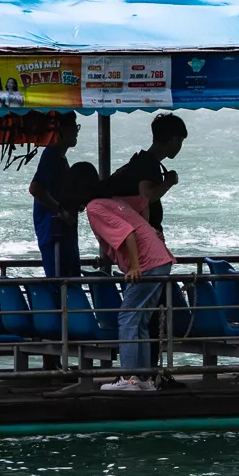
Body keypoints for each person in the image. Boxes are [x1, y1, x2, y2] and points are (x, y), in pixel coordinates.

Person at [74, 164, 175, 392]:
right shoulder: (113, 201)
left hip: (149, 263)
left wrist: (135, 266)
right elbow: (143, 203)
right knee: (138, 321)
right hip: (160, 260)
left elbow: (127, 232)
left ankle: (129, 379)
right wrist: (150, 231)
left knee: (127, 318)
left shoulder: (94, 208)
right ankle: (143, 380)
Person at [104, 112, 186, 235]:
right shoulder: (148, 163)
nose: (180, 146)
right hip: (140, 236)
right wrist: (169, 182)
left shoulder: (144, 161)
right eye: (180, 141)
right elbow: (147, 197)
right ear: (172, 140)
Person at [28, 114, 82, 279]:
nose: (77, 132)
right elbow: (35, 188)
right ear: (61, 130)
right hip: (54, 232)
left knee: (71, 281)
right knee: (61, 285)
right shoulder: (51, 154)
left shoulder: (60, 158)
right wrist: (60, 210)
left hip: (63, 232)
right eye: (74, 127)